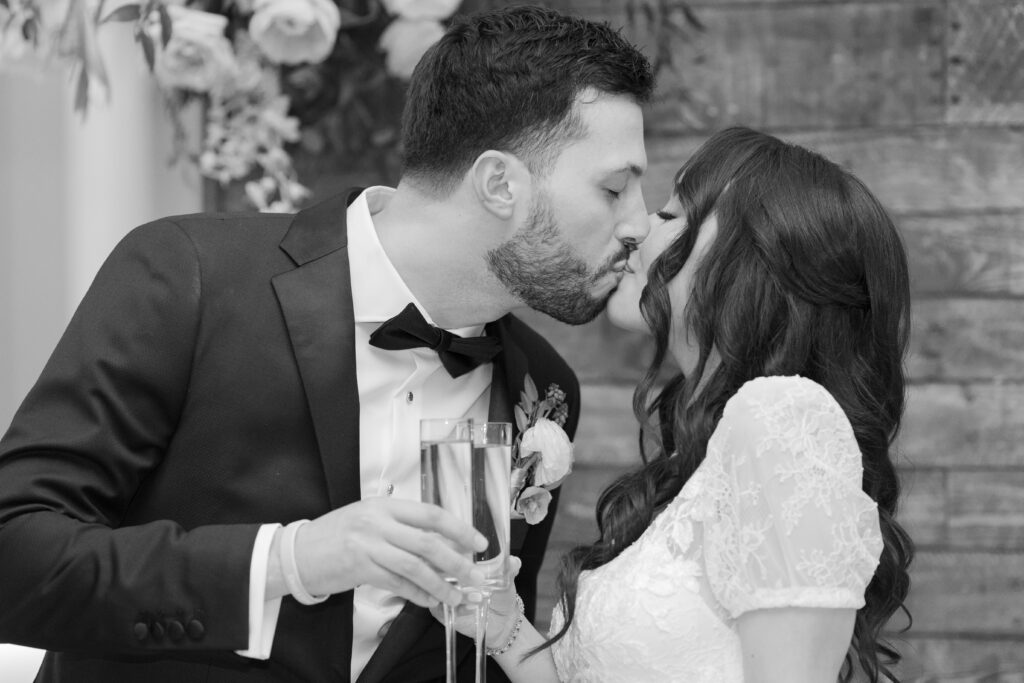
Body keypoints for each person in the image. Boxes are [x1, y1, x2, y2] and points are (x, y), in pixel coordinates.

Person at [0, 7, 653, 682]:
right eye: (613, 187)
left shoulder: (542, 391)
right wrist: (291, 559)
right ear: (499, 184)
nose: (637, 223)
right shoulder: (188, 273)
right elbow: (13, 555)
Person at [447, 127, 915, 682]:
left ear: (757, 257)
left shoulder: (783, 419)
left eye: (671, 214)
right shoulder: (705, 452)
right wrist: (503, 625)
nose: (639, 229)